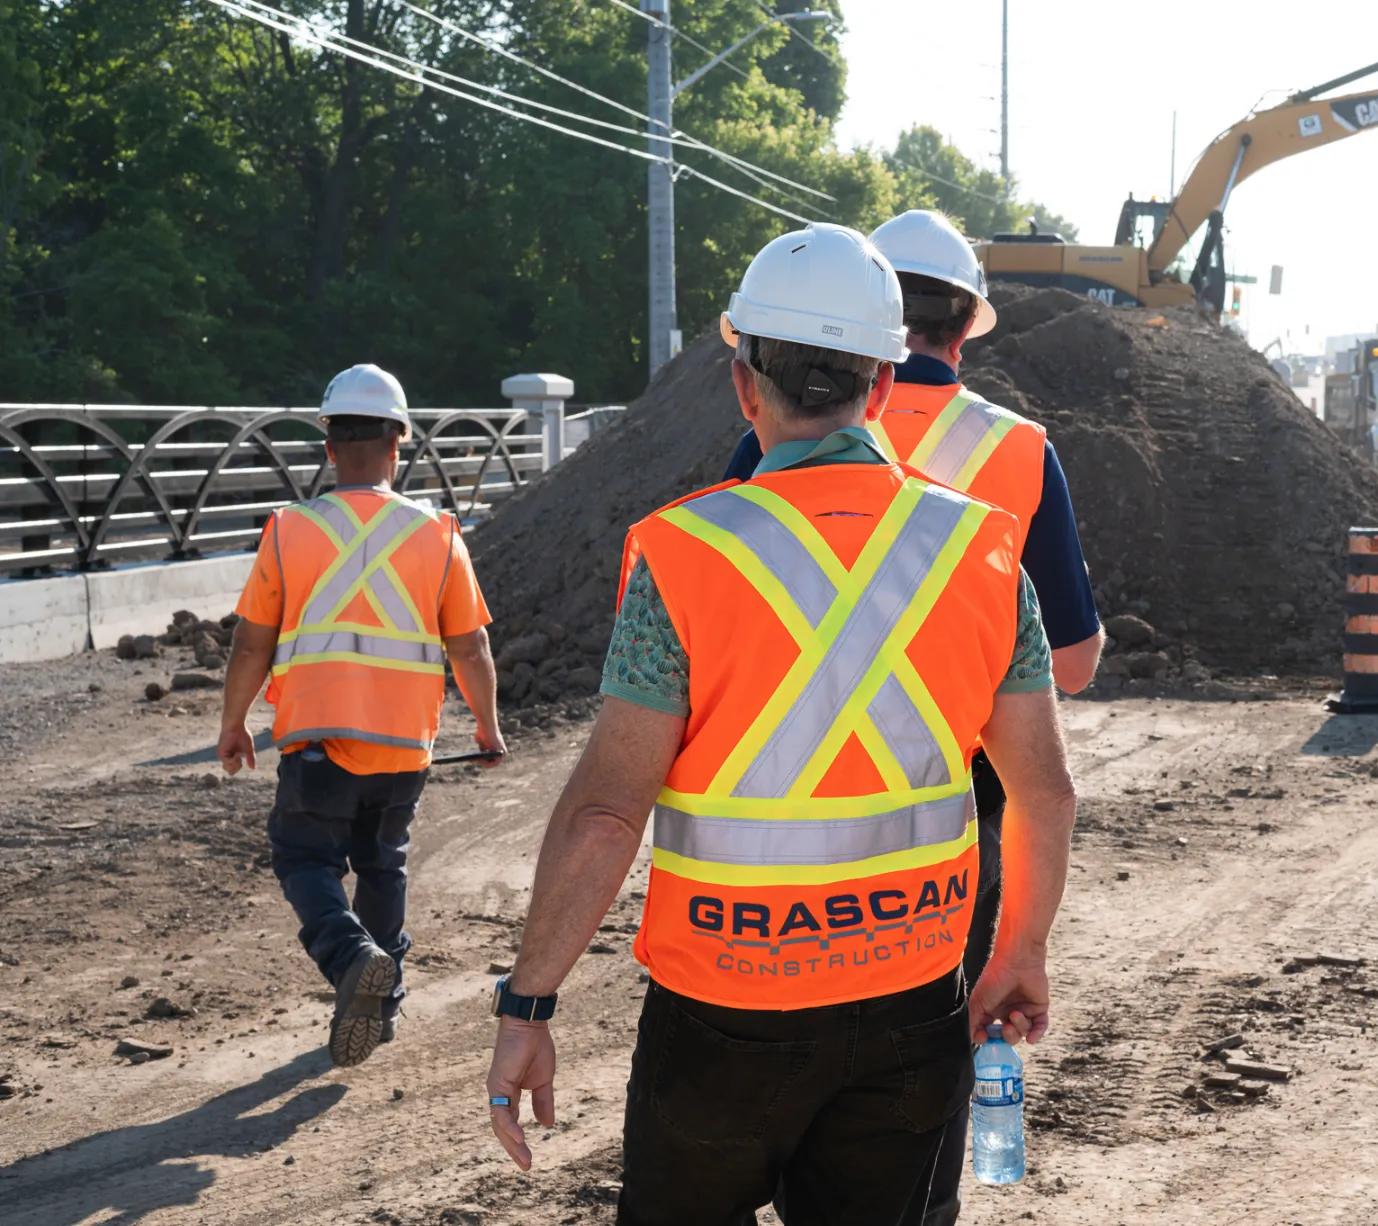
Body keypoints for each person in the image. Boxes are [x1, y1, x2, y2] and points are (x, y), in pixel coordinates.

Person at [484, 223, 1079, 1226]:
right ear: (882, 386)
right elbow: (1044, 791)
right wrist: (1019, 948)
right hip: (913, 996)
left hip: (722, 1007)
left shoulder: (680, 555)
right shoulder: (983, 552)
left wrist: (528, 1003)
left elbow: (602, 813)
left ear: (742, 384)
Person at [720, 210, 1101, 1222]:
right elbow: (1071, 660)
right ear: (965, 326)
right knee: (905, 1117)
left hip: (771, 826)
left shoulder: (769, 435)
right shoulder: (1018, 452)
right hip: (944, 827)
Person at [218, 363, 504, 1068]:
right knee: (382, 866)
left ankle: (351, 959)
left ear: (328, 448)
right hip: (404, 745)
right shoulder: (438, 535)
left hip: (317, 741)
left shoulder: (288, 531)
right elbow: (470, 647)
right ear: (397, 445)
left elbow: (253, 640)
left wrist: (232, 723)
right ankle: (385, 1003)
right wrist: (488, 726)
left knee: (302, 854)